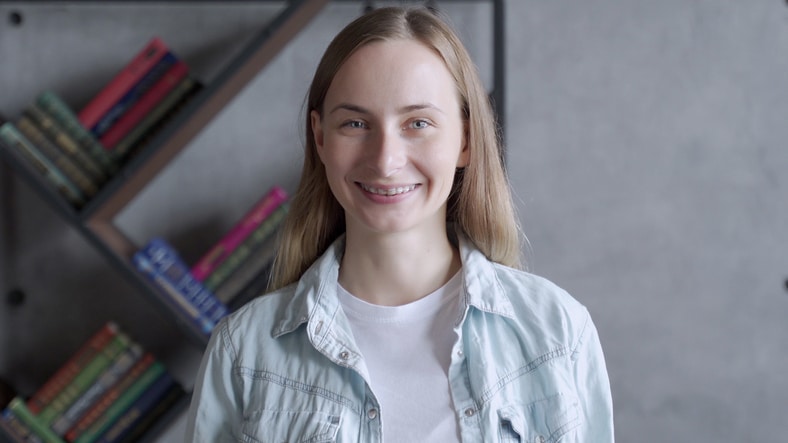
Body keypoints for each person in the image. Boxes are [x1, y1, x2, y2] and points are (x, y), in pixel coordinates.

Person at [185, 5, 614, 442]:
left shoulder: (558, 333)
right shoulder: (243, 352)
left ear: (465, 139)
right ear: (319, 137)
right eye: (355, 123)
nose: (386, 161)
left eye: (418, 123)